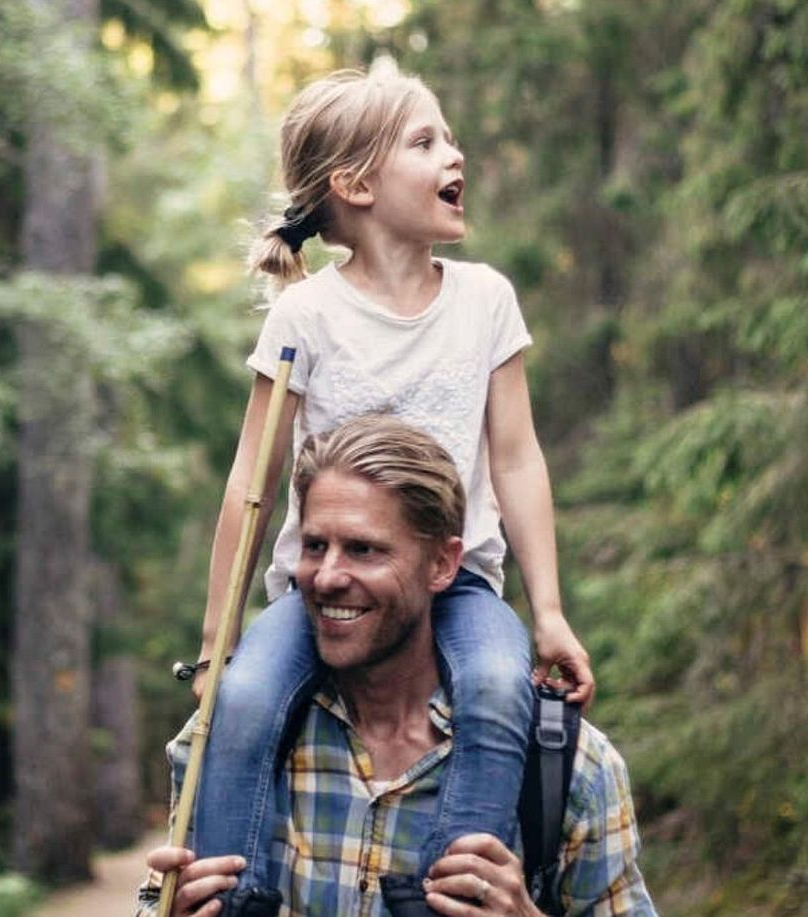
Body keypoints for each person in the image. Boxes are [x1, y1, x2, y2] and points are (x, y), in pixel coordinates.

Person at [188, 63, 597, 897]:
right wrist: (213, 641)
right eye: (425, 141)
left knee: (493, 686)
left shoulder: (485, 300)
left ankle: (450, 892)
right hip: (327, 588)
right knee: (246, 697)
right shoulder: (307, 314)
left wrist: (548, 611)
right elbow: (250, 483)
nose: (455, 153)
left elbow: (517, 458)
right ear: (356, 184)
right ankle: (235, 897)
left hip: (463, 586)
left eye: (448, 136)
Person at [144, 415, 653, 916]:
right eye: (315, 545)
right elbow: (152, 902)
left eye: (364, 550)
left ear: (443, 564)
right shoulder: (228, 736)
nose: (326, 577)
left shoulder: (566, 766)